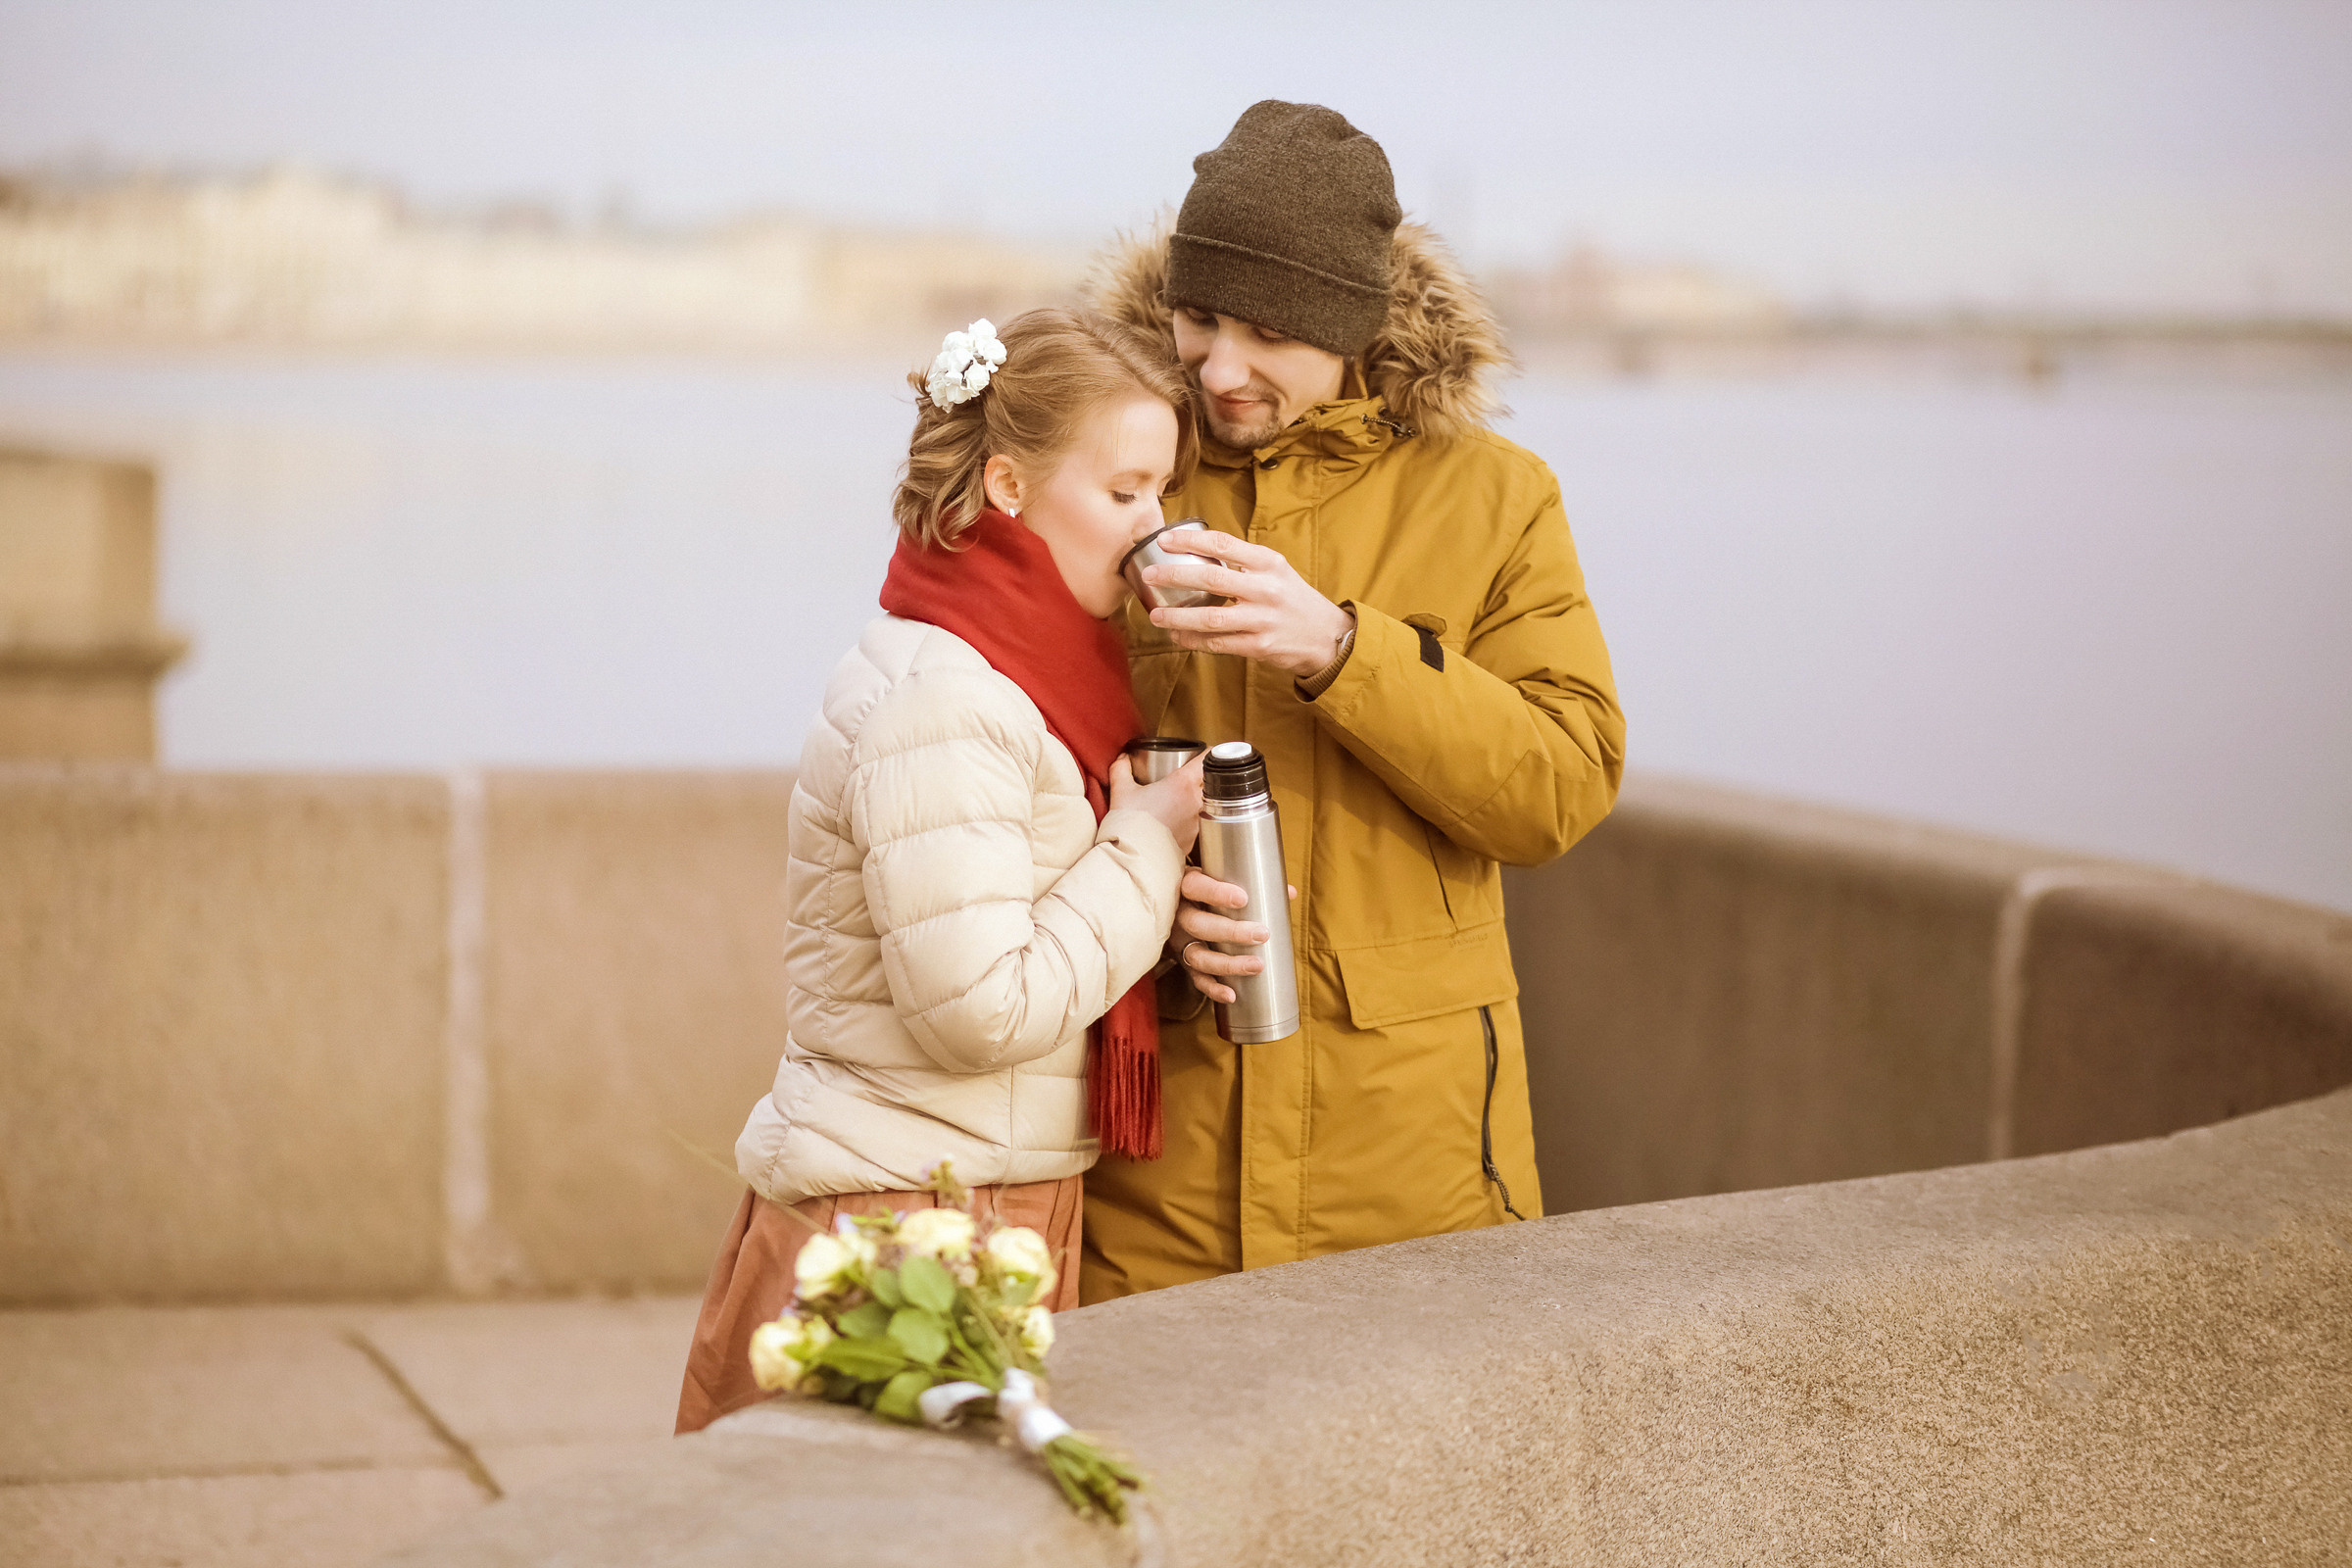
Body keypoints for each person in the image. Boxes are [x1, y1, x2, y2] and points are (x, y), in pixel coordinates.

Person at [1080, 101, 1627, 1301]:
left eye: (1267, 330)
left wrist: (1338, 648)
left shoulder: (1498, 497)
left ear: (1351, 329)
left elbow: (1562, 785)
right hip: (1157, 1184)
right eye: (1199, 316)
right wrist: (1139, 898)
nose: (1220, 367)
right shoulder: (1116, 476)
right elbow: (1017, 769)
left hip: (1413, 1174)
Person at [677, 308, 1203, 1432]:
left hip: (963, 1195)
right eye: (1125, 492)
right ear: (1010, 488)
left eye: (1162, 490)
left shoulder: (1013, 664)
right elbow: (979, 1005)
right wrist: (1147, 844)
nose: (1155, 525)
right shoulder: (950, 700)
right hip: (907, 1223)